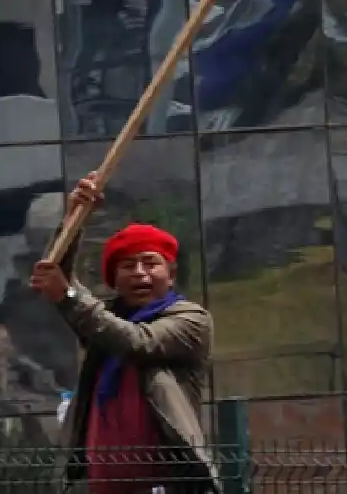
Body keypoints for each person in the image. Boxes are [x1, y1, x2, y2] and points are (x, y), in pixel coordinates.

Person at [30, 173, 218, 494]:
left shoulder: (191, 320)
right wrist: (77, 214)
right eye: (128, 266)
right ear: (114, 279)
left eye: (150, 263)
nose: (140, 273)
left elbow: (137, 341)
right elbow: (57, 275)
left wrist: (69, 296)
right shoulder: (102, 328)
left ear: (170, 275)